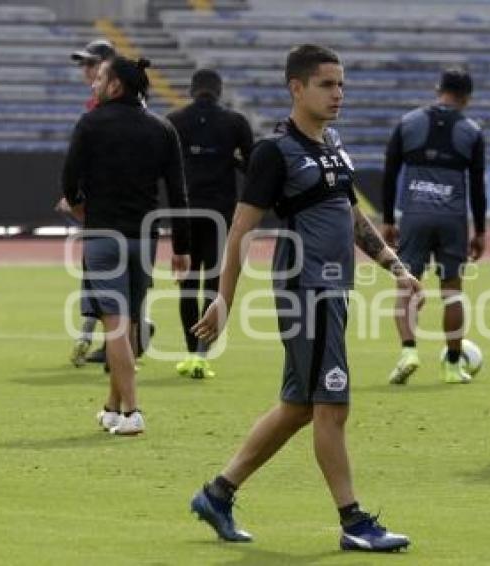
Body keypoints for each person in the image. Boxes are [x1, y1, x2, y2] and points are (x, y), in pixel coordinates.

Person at [187, 44, 419, 551]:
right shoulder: (275, 152)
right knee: (331, 405)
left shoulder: (332, 143)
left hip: (334, 289)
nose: (338, 94)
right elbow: (240, 230)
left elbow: (349, 215)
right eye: (326, 84)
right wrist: (222, 301)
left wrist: (394, 266)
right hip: (306, 291)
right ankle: (355, 524)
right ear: (296, 87)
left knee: (298, 405)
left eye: (341, 85)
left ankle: (217, 494)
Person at [61, 56, 191, 436]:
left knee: (115, 327)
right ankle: (112, 408)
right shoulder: (163, 128)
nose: (93, 84)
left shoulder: (90, 123)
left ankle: (133, 412)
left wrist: (81, 205)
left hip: (104, 237)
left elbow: (69, 180)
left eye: (99, 78)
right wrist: (180, 248)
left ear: (116, 85)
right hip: (144, 238)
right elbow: (178, 194)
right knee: (129, 322)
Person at [381, 67, 486, 385]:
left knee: (407, 288)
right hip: (452, 218)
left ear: (437, 88)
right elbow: (478, 186)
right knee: (452, 293)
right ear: (467, 97)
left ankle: (409, 351)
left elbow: (389, 173)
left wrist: (388, 219)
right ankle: (453, 366)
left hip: (414, 214)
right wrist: (479, 230)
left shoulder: (408, 122)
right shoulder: (471, 129)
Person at [167, 68, 254, 379]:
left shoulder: (175, 121)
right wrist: (231, 161)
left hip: (186, 214)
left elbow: (165, 168)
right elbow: (254, 167)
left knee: (188, 284)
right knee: (215, 284)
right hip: (220, 214)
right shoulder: (235, 122)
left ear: (192, 90)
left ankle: (190, 352)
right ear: (219, 91)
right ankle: (203, 355)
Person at [60, 39, 116, 367]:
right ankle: (104, 336)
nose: (86, 70)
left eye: (92, 63)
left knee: (102, 269)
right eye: (84, 64)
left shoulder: (107, 108)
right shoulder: (95, 105)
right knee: (102, 270)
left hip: (111, 203)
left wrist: (79, 193)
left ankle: (114, 336)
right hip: (105, 199)